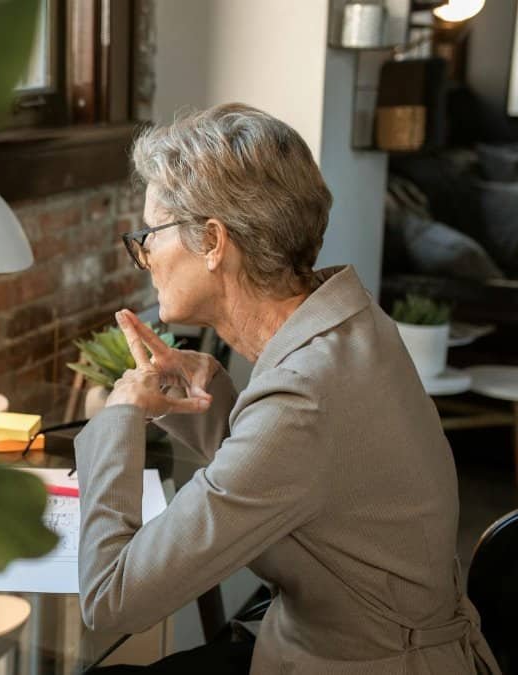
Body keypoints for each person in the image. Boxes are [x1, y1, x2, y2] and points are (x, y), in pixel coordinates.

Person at [76, 103, 499, 674]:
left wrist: (118, 417)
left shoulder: (303, 399)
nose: (145, 253)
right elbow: (312, 481)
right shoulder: (352, 323)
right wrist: (213, 396)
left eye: (151, 233)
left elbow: (111, 599)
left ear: (213, 242)